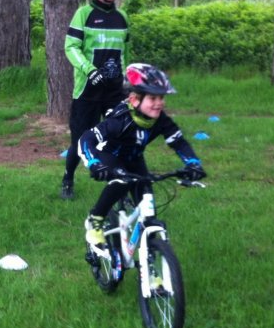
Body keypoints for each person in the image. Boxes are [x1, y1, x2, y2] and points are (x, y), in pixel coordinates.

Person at [78, 63, 206, 254]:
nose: (159, 103)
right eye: (152, 98)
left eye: (161, 97)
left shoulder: (160, 119)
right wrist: (94, 164)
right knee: (121, 181)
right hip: (110, 156)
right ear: (134, 99)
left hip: (134, 159)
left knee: (149, 212)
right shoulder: (120, 120)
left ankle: (151, 268)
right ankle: (96, 219)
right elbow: (86, 139)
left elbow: (179, 142)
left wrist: (193, 164)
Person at [61, 0, 131, 200]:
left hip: (114, 93)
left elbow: (124, 54)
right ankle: (68, 178)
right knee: (80, 141)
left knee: (120, 138)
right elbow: (70, 48)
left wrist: (128, 83)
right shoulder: (83, 14)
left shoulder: (122, 18)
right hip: (87, 91)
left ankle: (119, 186)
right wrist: (90, 70)